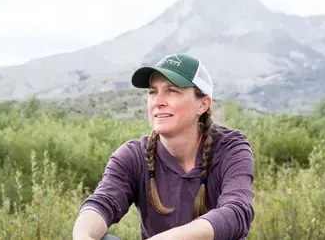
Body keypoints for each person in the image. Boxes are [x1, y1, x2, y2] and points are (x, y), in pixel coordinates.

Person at [72, 53, 255, 240]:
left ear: (202, 104)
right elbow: (101, 203)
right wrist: (83, 236)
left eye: (172, 91)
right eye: (153, 92)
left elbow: (237, 212)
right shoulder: (133, 156)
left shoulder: (230, 149)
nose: (158, 102)